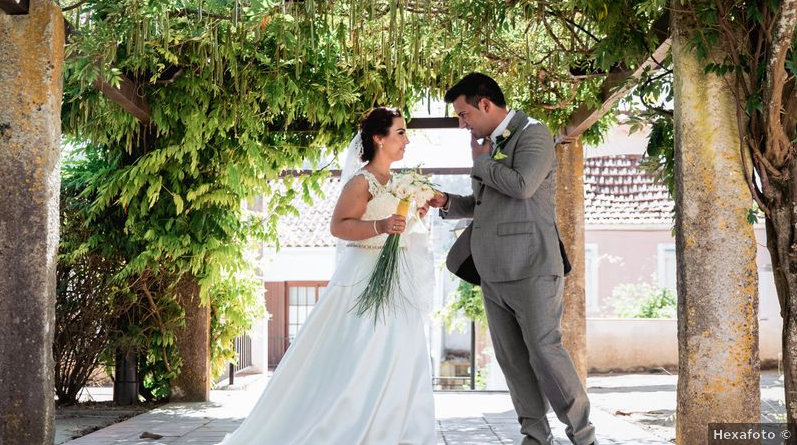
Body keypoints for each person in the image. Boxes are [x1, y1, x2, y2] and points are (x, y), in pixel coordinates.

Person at [220, 107, 436, 445]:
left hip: (396, 279)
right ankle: (347, 422)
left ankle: (395, 427)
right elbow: (339, 227)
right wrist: (380, 225)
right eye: (400, 133)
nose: (407, 140)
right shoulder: (360, 182)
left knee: (401, 351)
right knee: (360, 355)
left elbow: (399, 231)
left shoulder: (397, 183)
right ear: (379, 138)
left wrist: (412, 215)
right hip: (362, 275)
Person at [427, 72, 596, 445]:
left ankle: (583, 435)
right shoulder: (486, 146)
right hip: (492, 270)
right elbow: (487, 202)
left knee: (545, 352)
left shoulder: (533, 133)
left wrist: (482, 162)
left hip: (533, 266)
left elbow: (522, 186)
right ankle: (535, 435)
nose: (462, 123)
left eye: (463, 114)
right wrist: (449, 203)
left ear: (484, 104)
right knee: (512, 360)